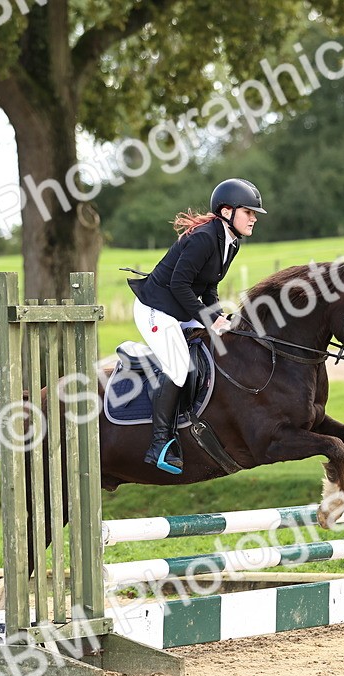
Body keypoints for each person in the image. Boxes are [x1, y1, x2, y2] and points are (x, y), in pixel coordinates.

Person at [127, 178, 266, 474]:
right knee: (178, 369)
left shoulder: (231, 242)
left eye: (254, 214)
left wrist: (219, 317)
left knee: (226, 342)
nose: (254, 218)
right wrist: (208, 318)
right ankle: (159, 443)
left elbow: (209, 288)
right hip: (156, 309)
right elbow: (179, 284)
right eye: (249, 212)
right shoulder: (204, 238)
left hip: (180, 308)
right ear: (227, 211)